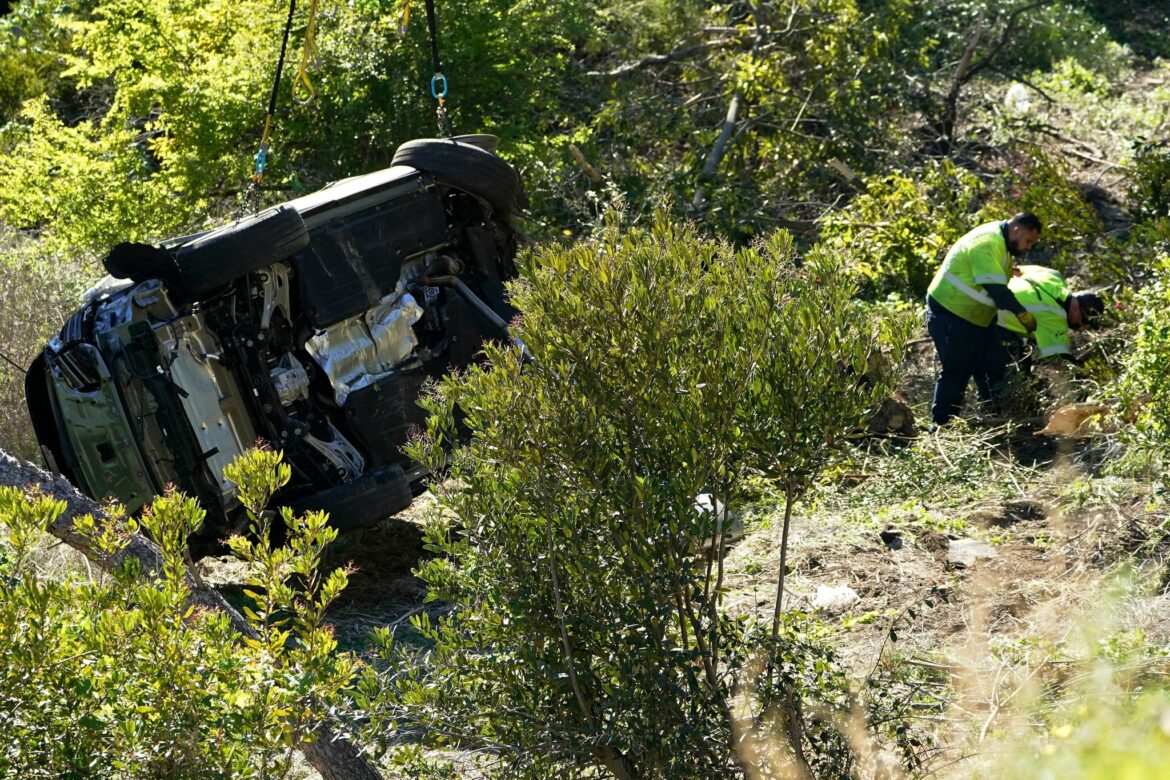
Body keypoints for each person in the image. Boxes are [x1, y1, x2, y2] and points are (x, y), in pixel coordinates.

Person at [925, 212, 1041, 425]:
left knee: (993, 366)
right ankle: (941, 427)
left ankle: (993, 420)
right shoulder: (988, 241)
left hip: (977, 320)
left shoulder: (1001, 242)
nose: (1028, 247)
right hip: (952, 313)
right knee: (957, 372)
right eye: (1028, 241)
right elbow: (996, 290)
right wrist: (1021, 313)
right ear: (1016, 230)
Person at [989, 264, 1104, 375]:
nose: (1080, 325)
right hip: (988, 318)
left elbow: (1013, 269)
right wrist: (1083, 371)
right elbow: (1059, 359)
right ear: (1078, 311)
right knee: (1019, 362)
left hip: (984, 291)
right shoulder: (1055, 319)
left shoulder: (1052, 275)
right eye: (1083, 321)